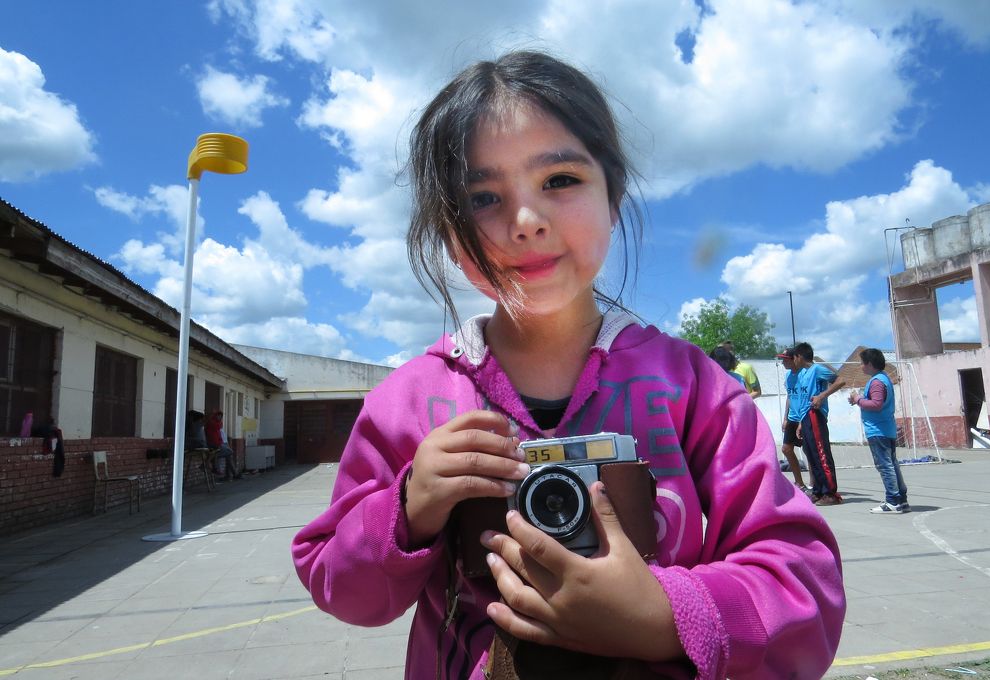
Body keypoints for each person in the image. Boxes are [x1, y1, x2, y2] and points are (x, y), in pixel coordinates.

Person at [291, 50, 845, 679]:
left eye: (559, 180)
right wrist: (409, 507)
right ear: (446, 232)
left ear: (614, 197)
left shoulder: (693, 389)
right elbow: (339, 585)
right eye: (482, 197)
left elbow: (806, 579)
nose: (525, 222)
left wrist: (666, 616)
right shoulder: (408, 403)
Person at [849, 348, 909, 514]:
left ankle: (893, 500)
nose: (861, 366)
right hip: (885, 428)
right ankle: (901, 499)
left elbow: (876, 404)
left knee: (885, 465)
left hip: (878, 429)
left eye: (862, 363)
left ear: (869, 364)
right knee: (892, 464)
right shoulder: (883, 379)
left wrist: (858, 399)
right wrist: (860, 400)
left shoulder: (877, 381)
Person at [790, 343, 846, 507]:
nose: (794, 361)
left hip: (816, 415)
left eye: (794, 357)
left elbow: (840, 380)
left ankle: (830, 492)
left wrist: (822, 396)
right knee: (811, 453)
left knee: (821, 453)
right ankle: (818, 490)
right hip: (806, 416)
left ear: (799, 356)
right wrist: (801, 422)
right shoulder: (802, 375)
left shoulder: (817, 369)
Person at [776, 348, 809, 492]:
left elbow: (807, 398)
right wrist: (785, 418)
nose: (783, 362)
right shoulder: (789, 376)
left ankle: (815, 484)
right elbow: (789, 397)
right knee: (786, 449)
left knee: (809, 451)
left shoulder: (805, 374)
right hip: (792, 419)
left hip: (804, 418)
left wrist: (802, 421)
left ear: (794, 359)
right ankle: (799, 483)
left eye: (785, 359)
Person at [206, 410, 241, 481]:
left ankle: (231, 475)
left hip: (221, 443)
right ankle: (210, 462)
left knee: (229, 456)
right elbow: (218, 426)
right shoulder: (212, 423)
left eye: (220, 416)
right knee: (229, 452)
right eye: (218, 416)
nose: (219, 418)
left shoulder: (216, 423)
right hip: (216, 444)